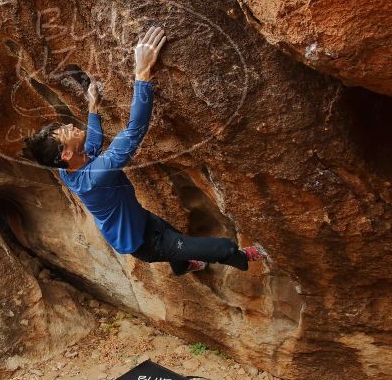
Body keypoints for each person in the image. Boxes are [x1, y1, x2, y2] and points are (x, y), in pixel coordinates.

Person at [23, 26, 267, 275]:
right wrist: (142, 72)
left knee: (174, 236)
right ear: (65, 154)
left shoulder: (70, 168)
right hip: (145, 243)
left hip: (140, 221)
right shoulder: (95, 177)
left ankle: (183, 267)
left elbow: (92, 147)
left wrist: (93, 108)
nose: (69, 125)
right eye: (64, 131)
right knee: (208, 247)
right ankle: (242, 255)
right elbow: (134, 131)